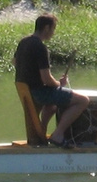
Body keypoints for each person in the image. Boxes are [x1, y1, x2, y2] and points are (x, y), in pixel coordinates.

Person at [13, 13, 88, 146]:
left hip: (27, 90)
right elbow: (47, 79)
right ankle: (58, 134)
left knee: (52, 104)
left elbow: (14, 61)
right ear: (47, 28)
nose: (53, 33)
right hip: (39, 93)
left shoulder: (23, 42)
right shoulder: (40, 47)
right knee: (83, 100)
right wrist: (60, 84)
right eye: (53, 29)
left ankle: (41, 131)